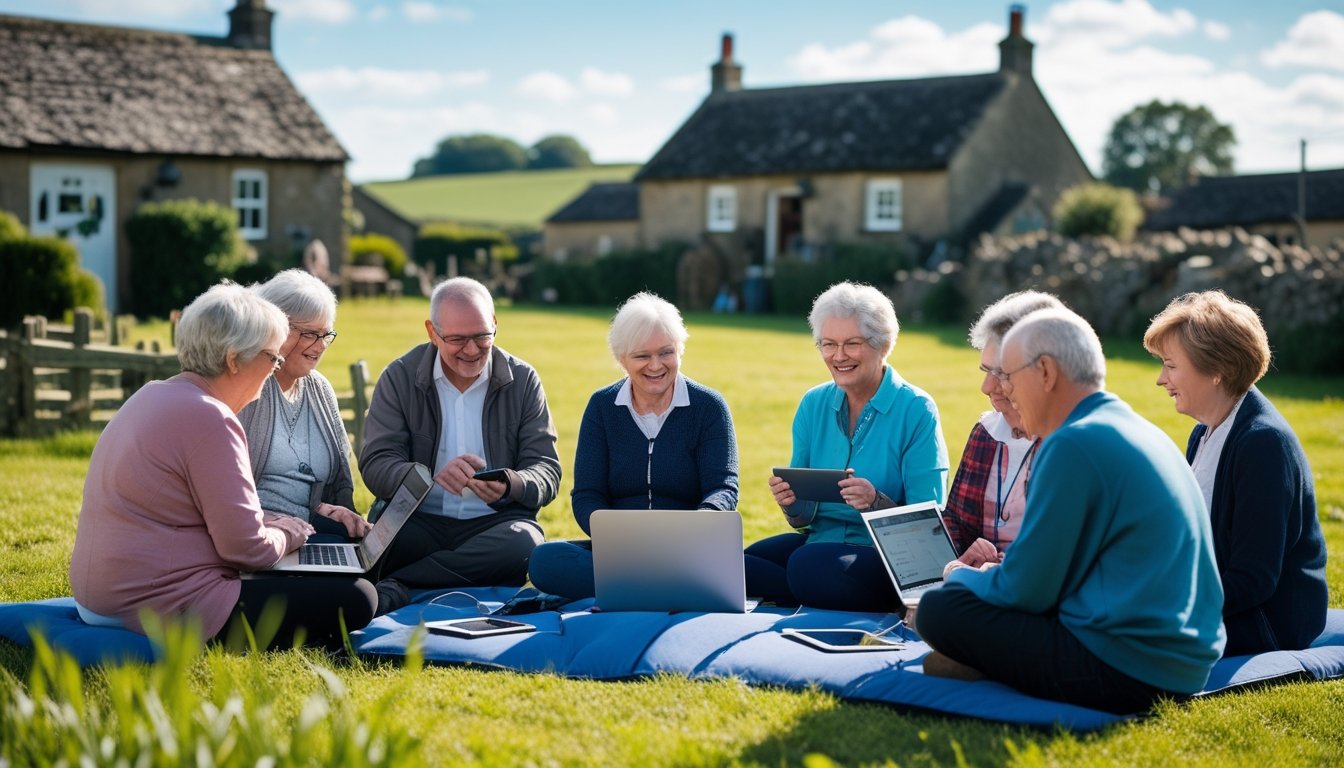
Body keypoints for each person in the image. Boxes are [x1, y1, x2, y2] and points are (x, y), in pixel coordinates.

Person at [914, 307, 1225, 715]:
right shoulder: (1138, 429)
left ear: (1045, 372)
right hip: (1182, 660)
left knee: (940, 610)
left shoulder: (1073, 444)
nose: (995, 388)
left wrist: (961, 579)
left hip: (1130, 668)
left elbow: (1025, 592)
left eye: (1006, 375)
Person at [69, 282, 376, 650]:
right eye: (271, 358)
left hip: (102, 598)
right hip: (155, 606)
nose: (274, 368)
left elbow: (197, 512)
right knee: (359, 597)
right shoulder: (213, 418)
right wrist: (290, 534)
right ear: (234, 359)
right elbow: (248, 552)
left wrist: (266, 522)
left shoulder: (153, 393)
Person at [359, 277, 560, 615]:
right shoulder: (399, 377)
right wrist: (429, 476)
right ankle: (448, 575)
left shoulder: (523, 380)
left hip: (494, 526)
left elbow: (547, 469)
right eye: (456, 339)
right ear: (432, 332)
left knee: (525, 545)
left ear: (495, 323)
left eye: (482, 336)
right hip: (417, 520)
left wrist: (511, 482)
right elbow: (376, 464)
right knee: (381, 540)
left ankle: (401, 585)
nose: (471, 349)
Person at [1144, 290, 1327, 656]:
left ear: (1218, 370)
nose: (1161, 379)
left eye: (1171, 364)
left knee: (1125, 636)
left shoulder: (1263, 444)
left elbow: (1254, 579)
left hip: (1268, 621)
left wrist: (1174, 608)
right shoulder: (1205, 431)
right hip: (1227, 604)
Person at [746, 282, 949, 611]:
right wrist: (791, 503)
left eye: (851, 344)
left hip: (888, 556)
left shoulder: (916, 408)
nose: (838, 356)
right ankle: (807, 590)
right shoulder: (813, 403)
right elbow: (803, 519)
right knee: (738, 563)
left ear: (882, 344)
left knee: (805, 564)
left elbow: (929, 522)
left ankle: (806, 590)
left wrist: (874, 502)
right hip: (819, 543)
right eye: (828, 344)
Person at [527, 293, 739, 599]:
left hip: (688, 550)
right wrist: (613, 538)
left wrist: (699, 526)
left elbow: (723, 487)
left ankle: (636, 587)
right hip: (620, 550)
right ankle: (663, 587)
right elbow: (587, 493)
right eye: (642, 356)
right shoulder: (602, 407)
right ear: (621, 358)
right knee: (546, 561)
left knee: (747, 563)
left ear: (680, 351)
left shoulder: (709, 407)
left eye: (666, 352)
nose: (656, 365)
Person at [239, 269, 370, 542]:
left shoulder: (320, 389)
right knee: (359, 587)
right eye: (309, 334)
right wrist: (269, 519)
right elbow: (220, 493)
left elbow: (336, 484)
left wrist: (332, 511)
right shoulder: (247, 388)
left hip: (308, 530)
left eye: (326, 335)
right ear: (274, 327)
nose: (320, 346)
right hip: (258, 536)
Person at [941, 291, 1064, 573]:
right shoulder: (987, 433)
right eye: (986, 371)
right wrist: (962, 554)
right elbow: (958, 523)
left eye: (1001, 373)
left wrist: (991, 571)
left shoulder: (1073, 447)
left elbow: (1064, 565)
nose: (986, 387)